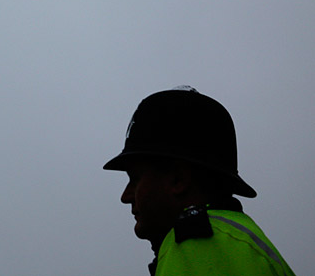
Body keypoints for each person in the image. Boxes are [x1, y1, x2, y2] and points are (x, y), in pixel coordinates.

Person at [104, 86, 296, 276]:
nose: (125, 196)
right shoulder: (234, 241)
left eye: (135, 179)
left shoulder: (199, 247)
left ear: (178, 180)